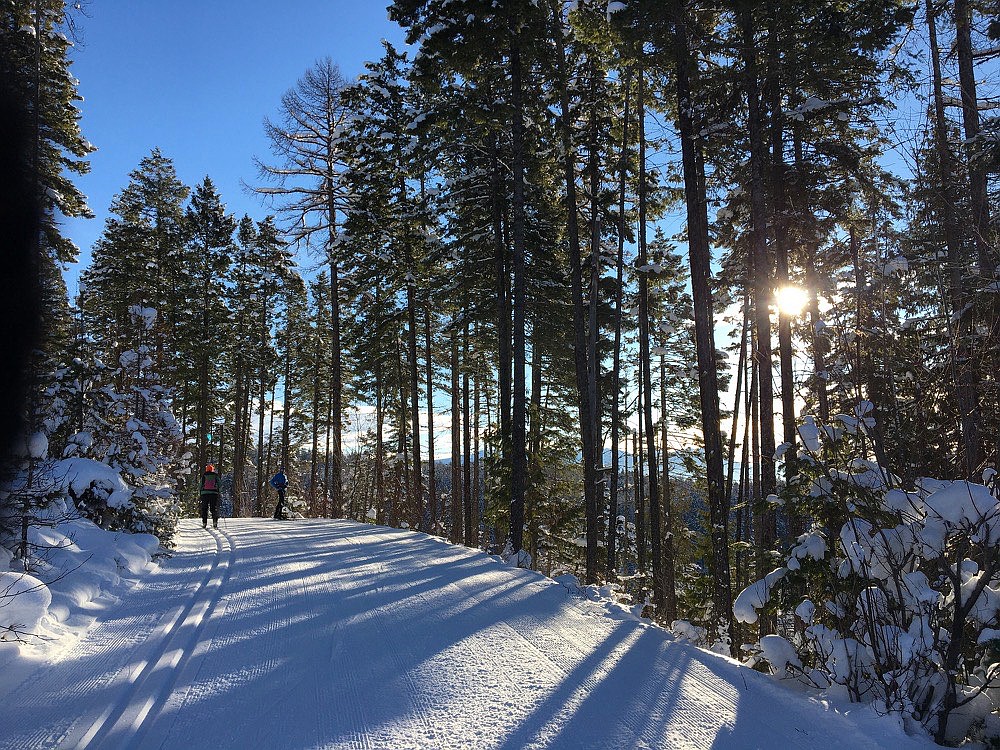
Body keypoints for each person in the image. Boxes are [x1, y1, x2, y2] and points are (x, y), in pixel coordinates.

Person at [200, 464, 221, 528]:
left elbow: (201, 484)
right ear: (212, 469)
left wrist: (201, 492)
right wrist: (218, 491)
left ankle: (204, 523)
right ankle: (215, 522)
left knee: (204, 508)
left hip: (205, 493)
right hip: (214, 493)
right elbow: (219, 484)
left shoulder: (204, 475)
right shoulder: (215, 476)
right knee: (213, 508)